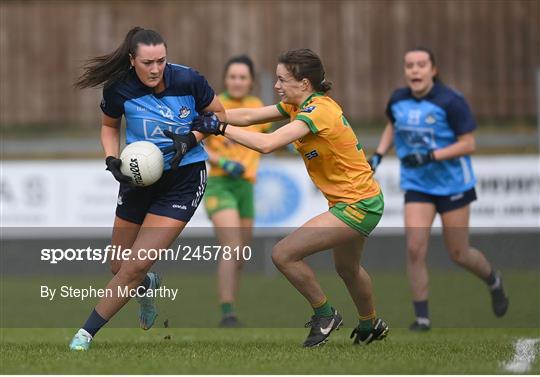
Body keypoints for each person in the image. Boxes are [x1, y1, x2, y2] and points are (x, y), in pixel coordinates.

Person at [192, 48, 389, 347]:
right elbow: (247, 115)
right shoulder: (299, 106)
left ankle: (325, 314)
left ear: (305, 83)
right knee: (347, 269)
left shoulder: (318, 110)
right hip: (359, 200)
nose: (276, 85)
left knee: (283, 254)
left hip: (357, 204)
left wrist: (219, 127)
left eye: (283, 79)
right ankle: (370, 324)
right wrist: (205, 116)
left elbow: (268, 143)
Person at [69, 27, 225, 350]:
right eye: (147, 62)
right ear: (132, 60)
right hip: (138, 178)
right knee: (119, 267)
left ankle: (83, 336)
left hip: (183, 179)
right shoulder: (118, 89)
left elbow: (219, 115)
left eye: (161, 61)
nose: (155, 69)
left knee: (136, 265)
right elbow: (109, 126)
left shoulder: (188, 80)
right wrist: (112, 158)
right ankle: (147, 285)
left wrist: (191, 138)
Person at [368, 47, 509, 331]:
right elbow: (392, 126)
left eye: (421, 65)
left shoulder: (451, 101)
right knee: (414, 249)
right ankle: (422, 319)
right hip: (418, 185)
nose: (415, 70)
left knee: (458, 252)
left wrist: (431, 156)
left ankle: (493, 280)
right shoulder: (398, 99)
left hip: (453, 185)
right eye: (410, 65)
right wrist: (379, 154)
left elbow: (469, 144)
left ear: (433, 70)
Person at [203, 55, 271, 327]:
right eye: (232, 76)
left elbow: (268, 136)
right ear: (225, 79)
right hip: (220, 184)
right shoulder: (213, 106)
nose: (237, 81)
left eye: (243, 77)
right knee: (232, 247)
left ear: (251, 81)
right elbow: (196, 141)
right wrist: (222, 162)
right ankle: (227, 312)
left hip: (246, 187)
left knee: (241, 253)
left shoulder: (257, 108)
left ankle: (231, 305)